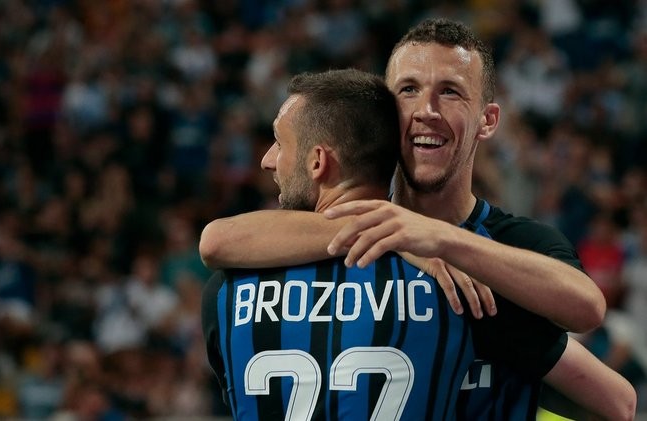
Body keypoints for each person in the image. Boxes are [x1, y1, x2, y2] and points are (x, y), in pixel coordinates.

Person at [199, 20, 636, 420]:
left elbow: (588, 311)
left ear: (487, 121)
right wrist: (395, 232)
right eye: (408, 89)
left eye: (450, 91)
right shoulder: (421, 279)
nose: (427, 108)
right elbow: (217, 240)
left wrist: (440, 239)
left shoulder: (505, 257)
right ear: (386, 114)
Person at [203, 68, 479, 420]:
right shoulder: (452, 277)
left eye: (280, 144)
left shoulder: (227, 290)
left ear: (318, 162)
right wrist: (386, 226)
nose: (267, 160)